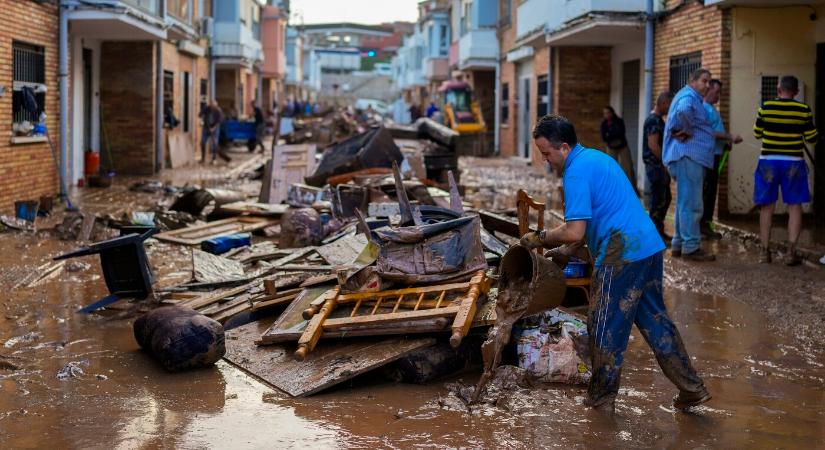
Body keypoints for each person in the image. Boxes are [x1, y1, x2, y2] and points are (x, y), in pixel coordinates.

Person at [520, 114, 709, 411]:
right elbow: (597, 218)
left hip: (621, 253)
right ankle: (692, 388)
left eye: (547, 153)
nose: (547, 161)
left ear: (564, 148)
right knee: (656, 322)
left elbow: (574, 229)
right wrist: (567, 251)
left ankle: (600, 401)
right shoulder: (597, 158)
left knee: (604, 327)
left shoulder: (576, 173)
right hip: (647, 245)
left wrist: (541, 238)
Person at [752, 75, 818, 265]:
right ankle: (791, 253)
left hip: (768, 163)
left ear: (778, 89)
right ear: (796, 92)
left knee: (767, 207)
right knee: (795, 206)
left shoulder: (765, 107)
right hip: (793, 163)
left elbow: (757, 133)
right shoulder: (803, 110)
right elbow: (812, 138)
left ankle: (764, 252)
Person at [663, 68, 717, 261]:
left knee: (684, 204)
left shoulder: (688, 95)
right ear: (693, 81)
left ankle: (679, 243)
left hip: (686, 158)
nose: (708, 85)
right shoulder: (689, 97)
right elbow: (683, 111)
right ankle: (691, 247)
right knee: (693, 205)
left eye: (709, 82)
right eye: (704, 81)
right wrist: (686, 129)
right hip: (689, 157)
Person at [702, 79, 743, 239]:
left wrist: (725, 142)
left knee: (711, 191)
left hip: (716, 154)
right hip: (708, 157)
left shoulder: (712, 108)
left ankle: (706, 225)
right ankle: (703, 227)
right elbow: (708, 132)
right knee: (707, 192)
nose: (719, 96)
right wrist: (729, 136)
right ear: (708, 90)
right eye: (717, 92)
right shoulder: (703, 108)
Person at [643, 91, 674, 243]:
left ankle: (658, 232)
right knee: (659, 200)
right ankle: (654, 236)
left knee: (664, 198)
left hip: (657, 166)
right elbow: (653, 145)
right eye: (669, 105)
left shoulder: (657, 120)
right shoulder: (653, 121)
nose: (670, 109)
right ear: (663, 103)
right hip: (656, 166)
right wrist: (665, 162)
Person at [600, 106, 637, 188]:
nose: (607, 115)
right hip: (611, 147)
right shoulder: (604, 124)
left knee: (627, 167)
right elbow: (604, 137)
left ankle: (631, 188)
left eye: (608, 112)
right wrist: (611, 134)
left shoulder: (619, 121)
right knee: (610, 167)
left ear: (612, 112)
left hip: (622, 146)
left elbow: (620, 133)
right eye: (605, 113)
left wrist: (609, 134)